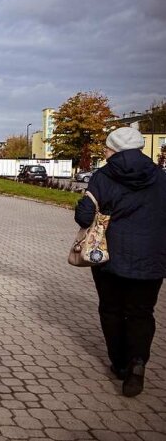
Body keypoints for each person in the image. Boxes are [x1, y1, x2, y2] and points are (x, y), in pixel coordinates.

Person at [74, 126, 166, 398]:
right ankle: (138, 363)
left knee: (111, 309)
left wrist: (83, 206)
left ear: (114, 149)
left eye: (106, 147)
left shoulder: (103, 176)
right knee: (141, 312)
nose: (104, 151)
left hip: (110, 256)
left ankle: (119, 363)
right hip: (152, 258)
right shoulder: (160, 177)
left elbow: (85, 216)